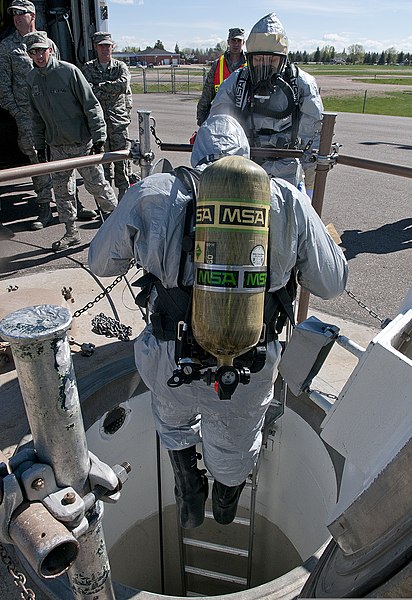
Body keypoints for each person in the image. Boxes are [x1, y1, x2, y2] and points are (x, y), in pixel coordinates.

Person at [88, 114, 348, 528]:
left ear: (197, 154)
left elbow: (100, 261)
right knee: (236, 443)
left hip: (169, 355)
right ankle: (225, 506)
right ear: (246, 158)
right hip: (249, 360)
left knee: (174, 421)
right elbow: (332, 283)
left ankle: (188, 490)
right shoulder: (285, 198)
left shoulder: (151, 192)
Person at [209, 13, 323, 196]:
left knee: (286, 218)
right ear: (250, 58)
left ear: (283, 59)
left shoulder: (302, 83)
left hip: (286, 169)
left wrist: (311, 173)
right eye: (258, 59)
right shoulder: (236, 83)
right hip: (245, 166)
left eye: (271, 60)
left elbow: (314, 131)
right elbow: (217, 124)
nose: (264, 65)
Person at [24, 31, 118, 251]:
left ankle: (118, 227)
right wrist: (39, 144)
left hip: (81, 144)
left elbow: (91, 105)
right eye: (34, 52)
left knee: (98, 187)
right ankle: (71, 233)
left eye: (42, 50)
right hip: (57, 147)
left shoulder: (68, 72)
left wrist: (99, 136)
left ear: (50, 50)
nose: (38, 56)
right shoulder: (32, 79)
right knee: (62, 192)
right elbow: (36, 116)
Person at [82, 32, 133, 200]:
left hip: (118, 122)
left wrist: (99, 87)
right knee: (102, 163)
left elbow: (122, 85)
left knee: (122, 161)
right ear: (95, 47)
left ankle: (124, 199)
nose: (105, 49)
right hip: (98, 125)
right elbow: (86, 91)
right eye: (101, 46)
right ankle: (108, 202)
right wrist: (109, 89)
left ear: (113, 47)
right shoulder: (88, 68)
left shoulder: (120, 67)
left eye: (107, 46)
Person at [196, 27, 246, 127]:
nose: (236, 44)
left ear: (243, 42)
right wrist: (201, 118)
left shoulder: (250, 65)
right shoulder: (218, 64)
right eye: (233, 40)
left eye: (239, 41)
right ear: (228, 42)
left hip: (243, 121)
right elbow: (207, 93)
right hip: (220, 120)